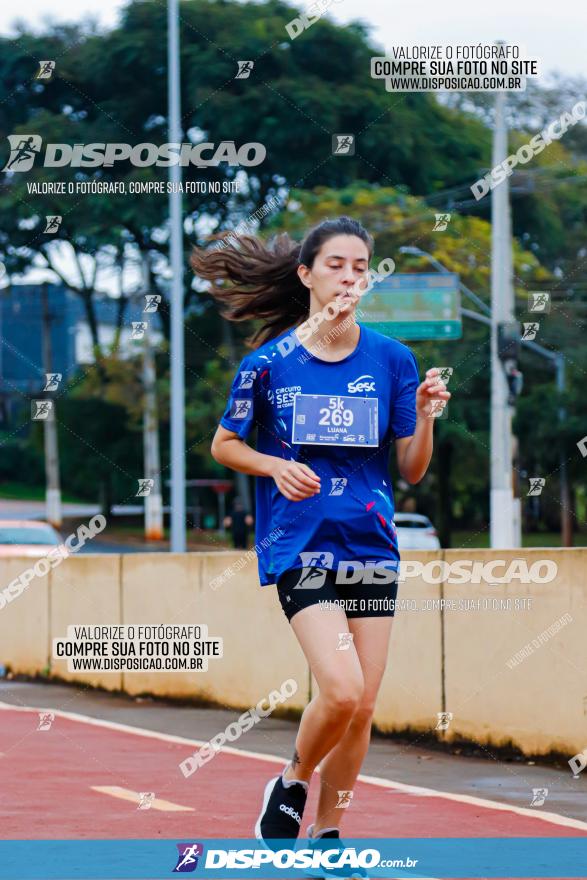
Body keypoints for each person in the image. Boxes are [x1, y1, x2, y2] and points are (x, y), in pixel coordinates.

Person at [192, 216, 450, 877]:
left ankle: (328, 835)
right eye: (335, 264)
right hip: (298, 543)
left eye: (360, 266)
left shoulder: (392, 359)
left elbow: (412, 469)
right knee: (339, 689)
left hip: (369, 544)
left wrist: (422, 415)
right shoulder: (267, 365)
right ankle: (293, 780)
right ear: (305, 274)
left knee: (363, 704)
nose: (349, 276)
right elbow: (225, 444)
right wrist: (273, 467)